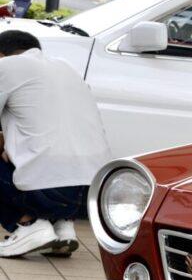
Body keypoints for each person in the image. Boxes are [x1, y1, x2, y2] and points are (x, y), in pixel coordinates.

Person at [0, 30, 111, 257]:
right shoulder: (66, 69)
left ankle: (27, 225)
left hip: (46, 188)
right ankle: (62, 227)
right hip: (89, 192)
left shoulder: (7, 66)